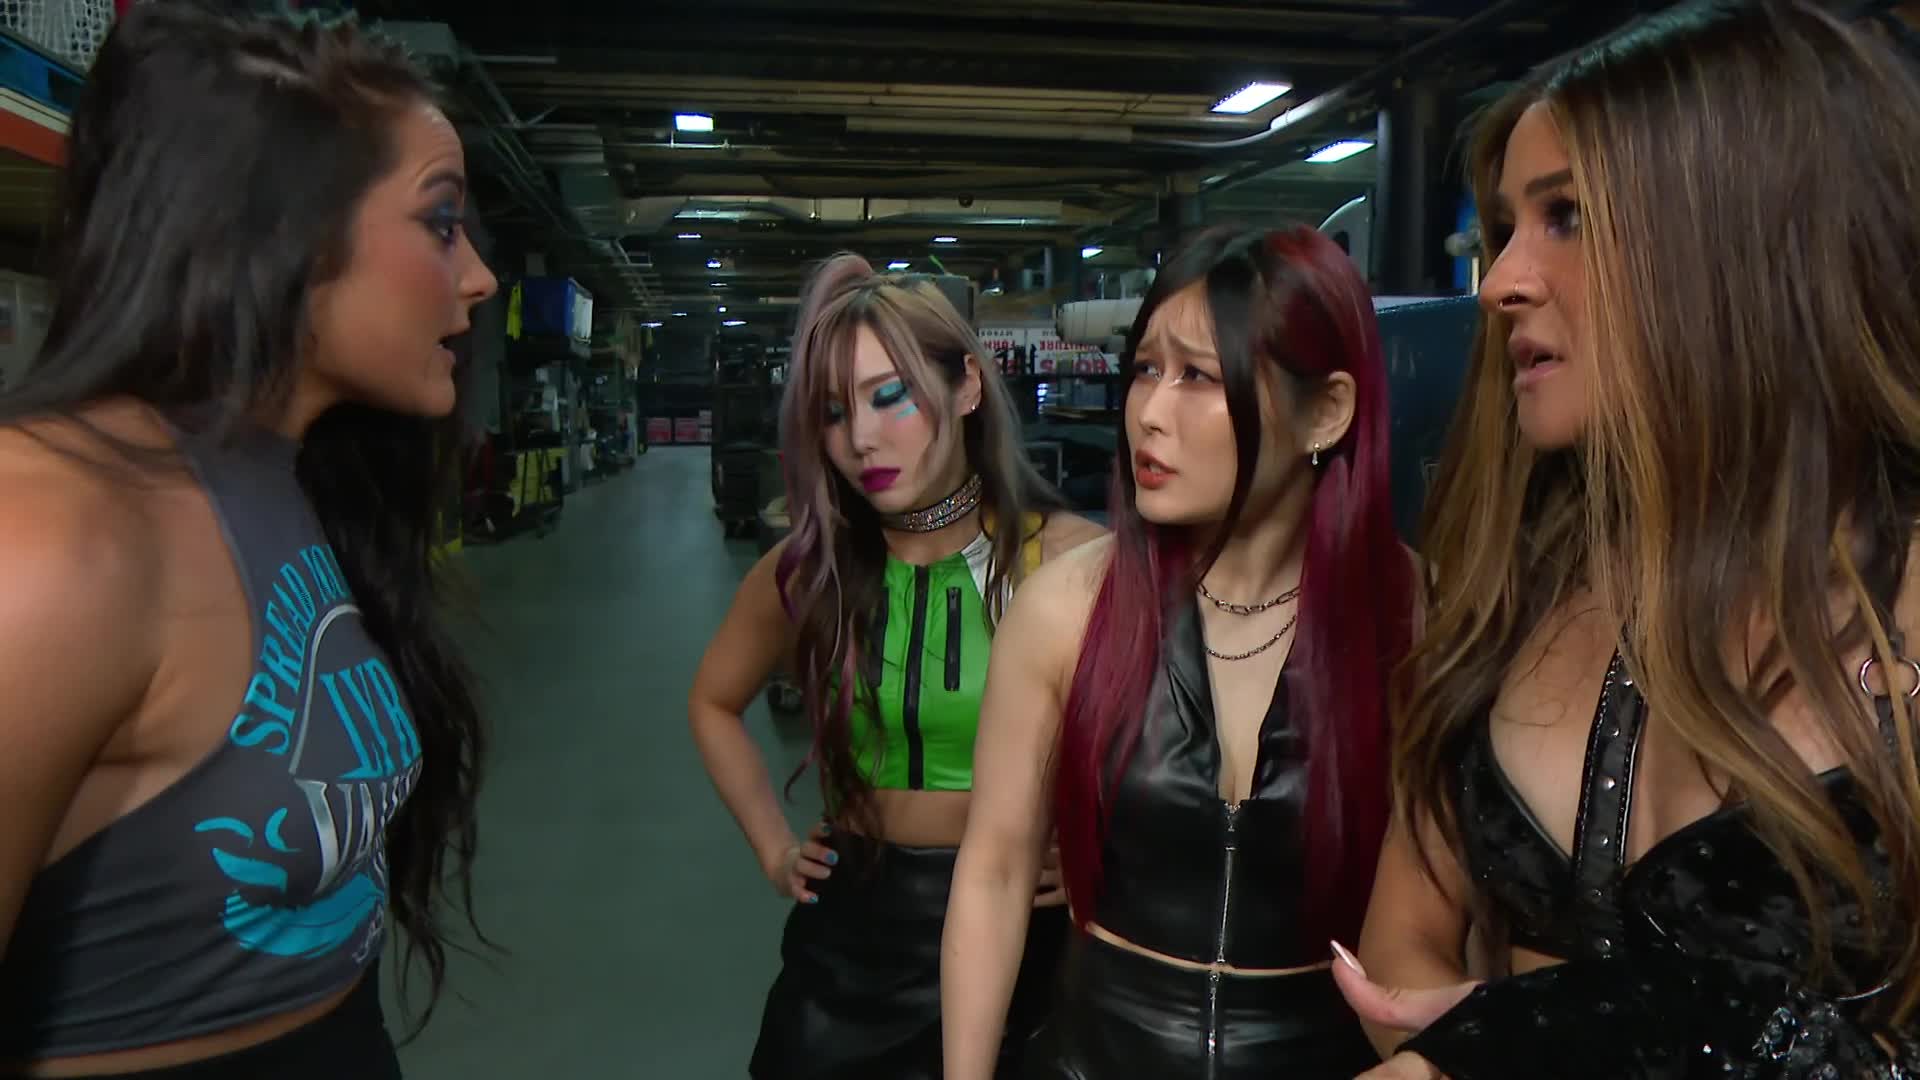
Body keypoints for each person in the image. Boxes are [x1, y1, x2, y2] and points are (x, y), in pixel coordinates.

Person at [1333, 2, 1920, 1077]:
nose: (1502, 282)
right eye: (1504, 227)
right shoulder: (1514, 584)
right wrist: (1511, 1034)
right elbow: (1400, 953)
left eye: (1566, 216)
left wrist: (1576, 1034)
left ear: (1744, 241)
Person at [0, 6, 498, 1077]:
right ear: (283, 231)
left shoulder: (285, 478)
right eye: (440, 222)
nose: (479, 278)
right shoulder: (50, 534)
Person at [941, 224, 1417, 1079]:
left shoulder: (1419, 623)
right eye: (1144, 370)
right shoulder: (1066, 610)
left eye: (1198, 376)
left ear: (1327, 411)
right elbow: (995, 871)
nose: (1149, 414)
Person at [688, 253, 1103, 1079]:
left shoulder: (1070, 560)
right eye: (833, 412)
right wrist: (775, 849)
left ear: (967, 387)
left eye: (890, 397)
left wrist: (1101, 853)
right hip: (852, 938)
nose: (861, 440)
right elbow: (712, 702)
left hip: (1022, 934)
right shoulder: (809, 571)